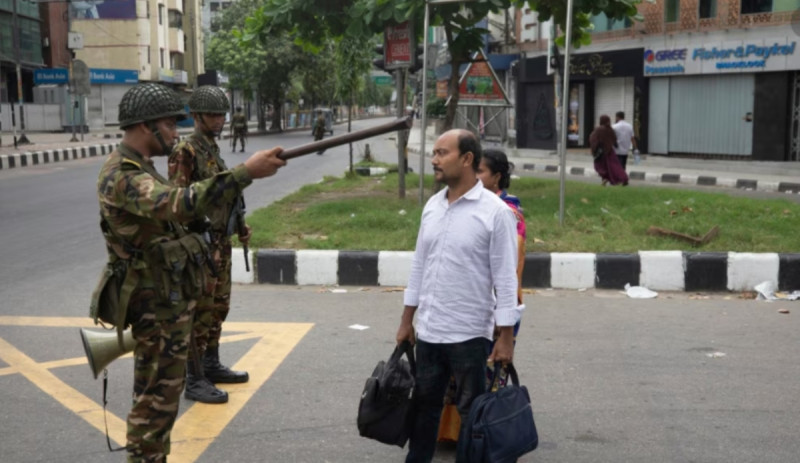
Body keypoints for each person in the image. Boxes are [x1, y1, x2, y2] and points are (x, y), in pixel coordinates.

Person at [96, 82, 285, 462]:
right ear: (147, 126)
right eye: (169, 124)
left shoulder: (140, 166)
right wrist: (245, 173)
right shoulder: (123, 176)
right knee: (154, 406)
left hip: (165, 300)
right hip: (153, 305)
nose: (175, 132)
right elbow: (177, 203)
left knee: (160, 405)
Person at [396, 129, 520, 462]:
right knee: (424, 410)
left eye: (441, 153)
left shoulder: (496, 213)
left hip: (469, 334)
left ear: (467, 159)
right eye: (433, 153)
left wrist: (506, 337)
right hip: (431, 331)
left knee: (471, 414)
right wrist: (407, 321)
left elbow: (506, 281)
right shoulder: (433, 206)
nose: (434, 160)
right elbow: (419, 267)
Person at [437, 148, 527, 442]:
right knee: (458, 374)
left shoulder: (506, 212)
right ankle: (456, 433)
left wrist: (503, 322)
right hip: (463, 306)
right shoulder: (463, 203)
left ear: (496, 177)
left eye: (481, 172)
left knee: (485, 375)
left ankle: (486, 435)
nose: (474, 177)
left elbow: (508, 269)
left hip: (494, 305)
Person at [168, 86, 249, 405]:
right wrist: (196, 244)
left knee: (218, 307)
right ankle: (194, 377)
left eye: (222, 115)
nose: (219, 120)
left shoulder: (212, 150)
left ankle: (211, 363)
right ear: (197, 116)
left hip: (221, 242)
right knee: (200, 311)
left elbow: (226, 195)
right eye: (213, 115)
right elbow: (177, 203)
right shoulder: (185, 152)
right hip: (201, 245)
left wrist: (240, 226)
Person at [590, 115, 629, 186]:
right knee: (615, 166)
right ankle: (623, 178)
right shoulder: (610, 129)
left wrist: (594, 148)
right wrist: (616, 146)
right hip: (610, 151)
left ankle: (605, 178)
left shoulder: (598, 129)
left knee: (600, 166)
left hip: (601, 152)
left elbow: (593, 138)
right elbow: (614, 139)